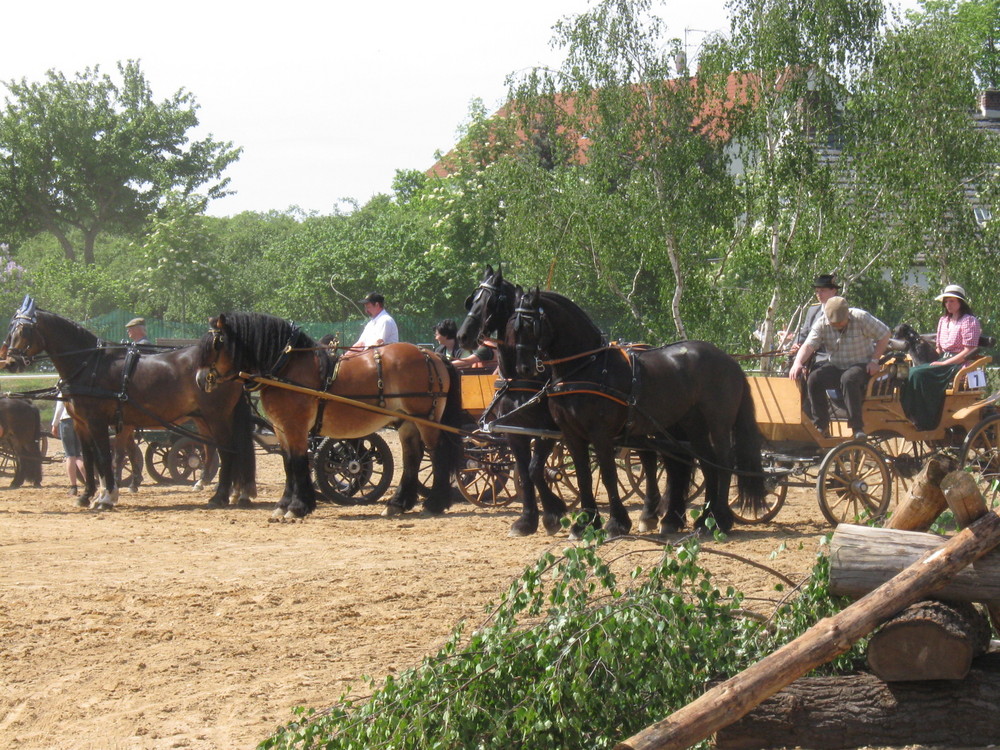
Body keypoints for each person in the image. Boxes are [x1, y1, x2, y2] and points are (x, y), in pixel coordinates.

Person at [789, 296, 891, 440]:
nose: (837, 325)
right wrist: (798, 363)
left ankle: (857, 428)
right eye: (833, 323)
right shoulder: (822, 323)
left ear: (847, 315)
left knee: (848, 378)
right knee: (814, 379)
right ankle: (821, 425)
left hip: (861, 364)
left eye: (840, 322)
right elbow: (809, 345)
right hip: (837, 365)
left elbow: (885, 334)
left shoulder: (861, 317)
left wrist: (875, 360)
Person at [900, 284, 982, 431]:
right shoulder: (943, 321)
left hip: (959, 363)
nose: (948, 304)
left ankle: (926, 418)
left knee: (918, 374)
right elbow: (939, 349)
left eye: (952, 301)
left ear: (960, 303)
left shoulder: (969, 321)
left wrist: (944, 364)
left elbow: (969, 350)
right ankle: (911, 412)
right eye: (946, 301)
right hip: (942, 359)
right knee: (910, 372)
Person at [789, 274, 841, 420]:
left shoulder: (841, 309)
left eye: (822, 291)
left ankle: (818, 418)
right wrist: (797, 344)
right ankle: (794, 409)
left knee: (815, 377)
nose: (819, 295)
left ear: (833, 291)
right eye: (817, 291)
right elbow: (805, 332)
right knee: (790, 367)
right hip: (810, 356)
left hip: (829, 357)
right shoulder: (813, 310)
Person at [51, 393, 85, 497]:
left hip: (66, 421)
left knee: (70, 455)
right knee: (79, 455)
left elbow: (59, 408)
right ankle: (89, 483)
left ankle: (73, 487)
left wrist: (54, 424)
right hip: (79, 420)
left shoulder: (64, 389)